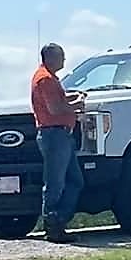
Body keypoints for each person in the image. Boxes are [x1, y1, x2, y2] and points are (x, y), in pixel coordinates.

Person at [28, 42, 85, 240]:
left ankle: (59, 219)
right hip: (54, 135)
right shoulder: (45, 79)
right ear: (50, 58)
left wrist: (70, 98)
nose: (64, 60)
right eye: (61, 56)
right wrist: (76, 106)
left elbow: (57, 101)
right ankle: (53, 224)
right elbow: (54, 108)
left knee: (74, 180)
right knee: (55, 181)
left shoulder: (49, 79)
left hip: (61, 135)